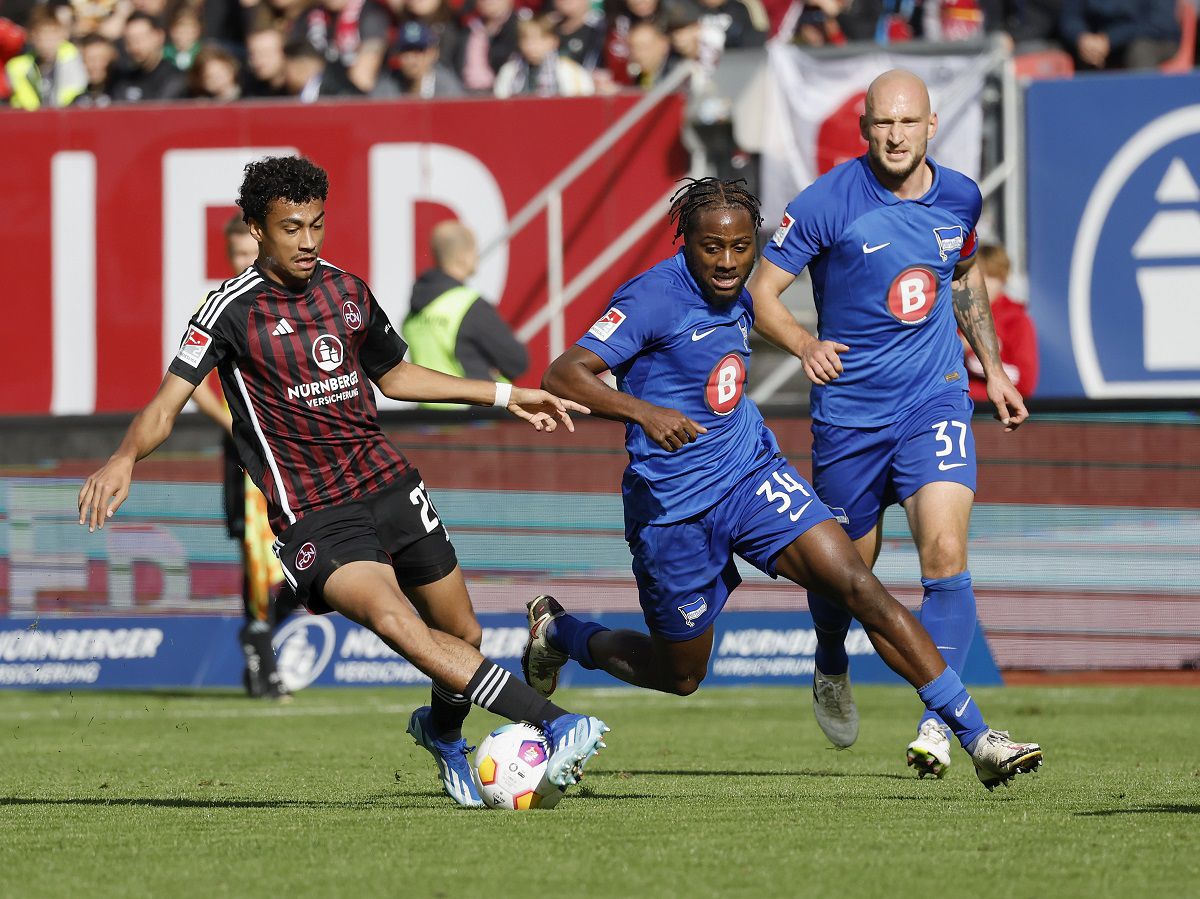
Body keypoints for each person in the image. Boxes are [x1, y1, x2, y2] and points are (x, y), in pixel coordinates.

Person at [78, 155, 609, 808]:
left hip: (388, 483)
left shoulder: (347, 291)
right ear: (256, 228)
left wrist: (504, 394)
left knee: (461, 635)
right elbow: (165, 405)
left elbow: (398, 376)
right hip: (314, 511)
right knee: (392, 616)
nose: (307, 241)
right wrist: (125, 457)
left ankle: (441, 733)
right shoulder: (225, 310)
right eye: (291, 227)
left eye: (317, 225)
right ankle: (556, 723)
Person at [527, 176, 1043, 792]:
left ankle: (977, 737)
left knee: (858, 583)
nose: (727, 262)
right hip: (673, 509)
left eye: (741, 248)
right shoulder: (652, 298)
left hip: (750, 474)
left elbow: (767, 309)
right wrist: (644, 412)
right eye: (711, 248)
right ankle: (559, 633)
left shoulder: (742, 288)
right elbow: (564, 374)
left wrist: (806, 344)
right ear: (685, 243)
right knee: (682, 673)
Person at [746, 69, 1027, 779]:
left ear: (931, 125)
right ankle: (831, 658)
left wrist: (989, 368)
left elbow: (963, 277)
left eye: (909, 122)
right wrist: (806, 344)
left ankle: (939, 721)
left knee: (944, 552)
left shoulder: (961, 194)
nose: (896, 135)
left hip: (934, 398)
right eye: (883, 124)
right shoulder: (826, 203)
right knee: (848, 573)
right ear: (865, 128)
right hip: (849, 418)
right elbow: (762, 293)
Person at [189, 214, 293, 700]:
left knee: (307, 557)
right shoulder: (223, 307)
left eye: (244, 252)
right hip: (247, 456)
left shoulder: (288, 300)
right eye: (232, 255)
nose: (239, 263)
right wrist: (238, 424)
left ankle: (262, 635)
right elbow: (193, 387)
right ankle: (263, 661)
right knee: (255, 556)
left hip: (293, 452)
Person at [402, 220, 527, 409]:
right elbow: (517, 362)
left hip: (427, 418)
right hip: (471, 416)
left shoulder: (416, 306)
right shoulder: (469, 305)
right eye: (473, 250)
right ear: (462, 256)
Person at [964, 244, 1038, 402]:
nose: (982, 284)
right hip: (953, 410)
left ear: (1002, 279)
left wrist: (984, 363)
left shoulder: (1017, 321)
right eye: (976, 276)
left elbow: (1026, 383)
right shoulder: (954, 315)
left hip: (993, 413)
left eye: (989, 276)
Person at [6, 3, 86, 109]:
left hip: (65, 117)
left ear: (62, 35)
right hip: (32, 120)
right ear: (32, 37)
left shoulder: (71, 56)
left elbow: (74, 92)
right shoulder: (17, 67)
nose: (47, 42)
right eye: (42, 36)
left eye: (52, 35)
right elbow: (21, 102)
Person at [493, 13, 594, 98]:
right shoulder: (510, 71)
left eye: (539, 39)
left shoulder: (570, 71)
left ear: (554, 41)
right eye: (526, 39)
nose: (531, 45)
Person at [110, 11, 188, 102]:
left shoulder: (175, 79)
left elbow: (159, 112)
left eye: (141, 38)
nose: (135, 46)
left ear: (159, 37)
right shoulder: (122, 79)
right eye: (129, 41)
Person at [384, 20, 464, 98]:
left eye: (419, 50)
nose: (411, 59)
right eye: (405, 51)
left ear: (433, 53)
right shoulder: (389, 84)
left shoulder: (447, 88)